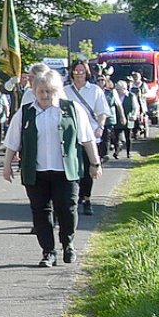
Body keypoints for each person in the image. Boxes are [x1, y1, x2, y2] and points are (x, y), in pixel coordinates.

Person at [2, 68, 103, 265]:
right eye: (41, 91)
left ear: (57, 90)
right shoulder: (25, 112)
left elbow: (87, 139)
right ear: (34, 91)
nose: (46, 95)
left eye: (50, 91)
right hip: (37, 172)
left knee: (67, 209)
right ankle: (48, 251)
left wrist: (95, 163)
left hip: (65, 171)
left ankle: (68, 243)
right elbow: (12, 142)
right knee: (40, 212)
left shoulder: (72, 109)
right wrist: (7, 166)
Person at [62, 60, 110, 216]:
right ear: (72, 73)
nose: (79, 74)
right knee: (74, 168)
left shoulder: (95, 90)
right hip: (71, 135)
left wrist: (100, 127)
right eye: (76, 71)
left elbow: (102, 111)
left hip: (90, 134)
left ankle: (87, 199)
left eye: (82, 71)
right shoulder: (65, 91)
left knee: (90, 167)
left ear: (87, 72)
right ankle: (75, 198)